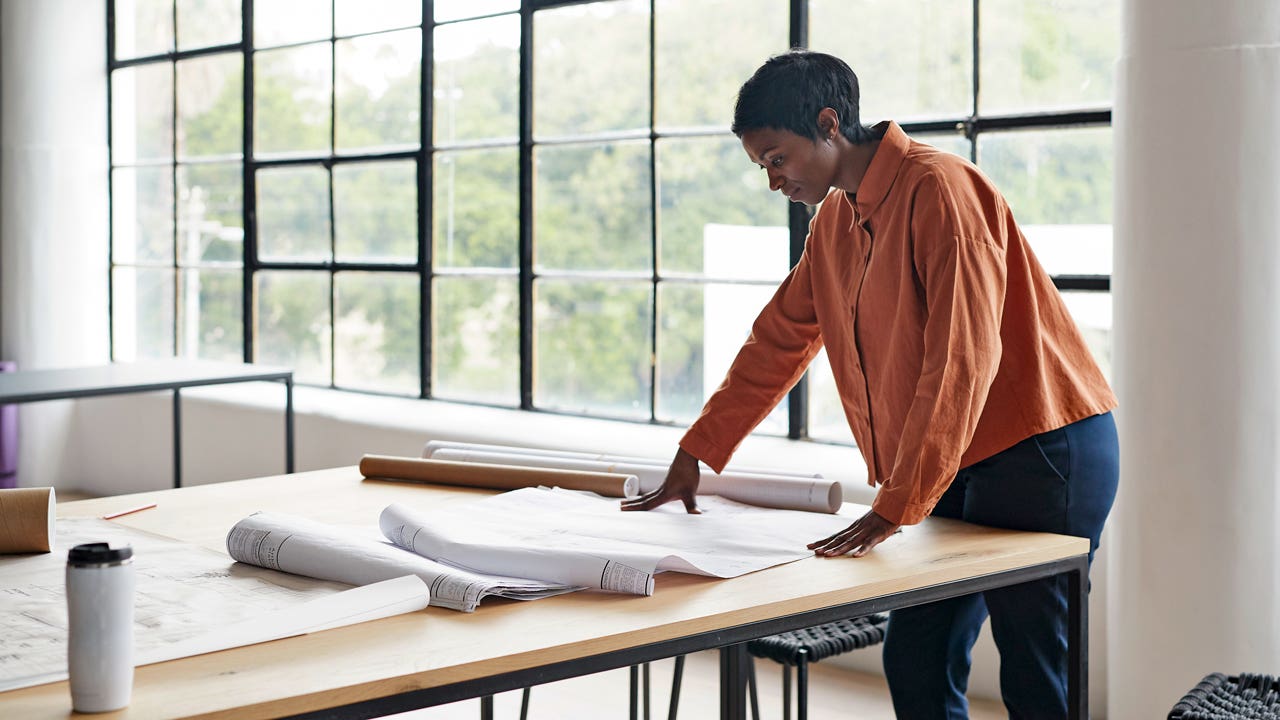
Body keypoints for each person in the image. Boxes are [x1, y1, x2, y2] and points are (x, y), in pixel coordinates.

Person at [621, 49, 1119, 719]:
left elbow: (961, 357)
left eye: (776, 159)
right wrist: (696, 453)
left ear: (829, 124)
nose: (772, 182)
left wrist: (899, 499)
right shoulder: (834, 223)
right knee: (917, 657)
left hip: (1042, 449)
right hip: (954, 459)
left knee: (1036, 674)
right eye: (760, 166)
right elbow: (779, 339)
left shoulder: (941, 188)